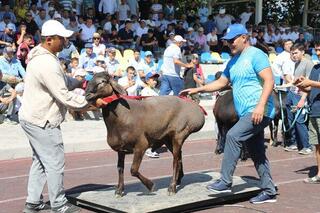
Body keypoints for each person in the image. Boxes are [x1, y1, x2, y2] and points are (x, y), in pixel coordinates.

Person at [180, 24, 277, 204]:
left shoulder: (256, 55)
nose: (229, 44)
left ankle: (225, 181)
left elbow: (269, 80)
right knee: (257, 153)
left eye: (232, 40)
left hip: (259, 111)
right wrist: (197, 89)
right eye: (227, 41)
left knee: (232, 135)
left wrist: (260, 106)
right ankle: (269, 190)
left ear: (244, 38)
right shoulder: (233, 61)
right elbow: (221, 83)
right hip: (247, 113)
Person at [19, 20, 101, 213]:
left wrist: (79, 82)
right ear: (49, 40)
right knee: (55, 162)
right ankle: (59, 204)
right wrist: (92, 103)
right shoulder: (47, 62)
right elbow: (63, 95)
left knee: (40, 160)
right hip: (42, 119)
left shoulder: (43, 56)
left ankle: (33, 202)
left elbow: (62, 81)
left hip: (31, 116)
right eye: (62, 38)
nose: (65, 41)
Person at [294, 41, 320, 184]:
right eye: (316, 50)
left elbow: (314, 84)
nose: (318, 53)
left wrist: (309, 82)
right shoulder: (316, 68)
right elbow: (311, 89)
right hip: (315, 110)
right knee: (317, 145)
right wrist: (300, 84)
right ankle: (319, 174)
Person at [283, 43, 313, 154]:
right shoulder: (297, 63)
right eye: (292, 53)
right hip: (291, 93)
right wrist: (285, 85)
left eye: (296, 53)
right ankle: (294, 143)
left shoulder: (308, 64)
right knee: (290, 119)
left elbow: (309, 84)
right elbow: (295, 81)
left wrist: (303, 99)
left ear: (302, 52)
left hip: (300, 96)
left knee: (300, 120)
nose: (294, 55)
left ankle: (307, 146)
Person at [141, 71, 161, 158]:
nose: (155, 81)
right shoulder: (145, 91)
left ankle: (150, 148)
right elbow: (147, 104)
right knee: (150, 134)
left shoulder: (156, 90)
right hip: (148, 115)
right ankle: (148, 149)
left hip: (156, 115)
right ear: (147, 81)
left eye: (156, 79)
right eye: (153, 79)